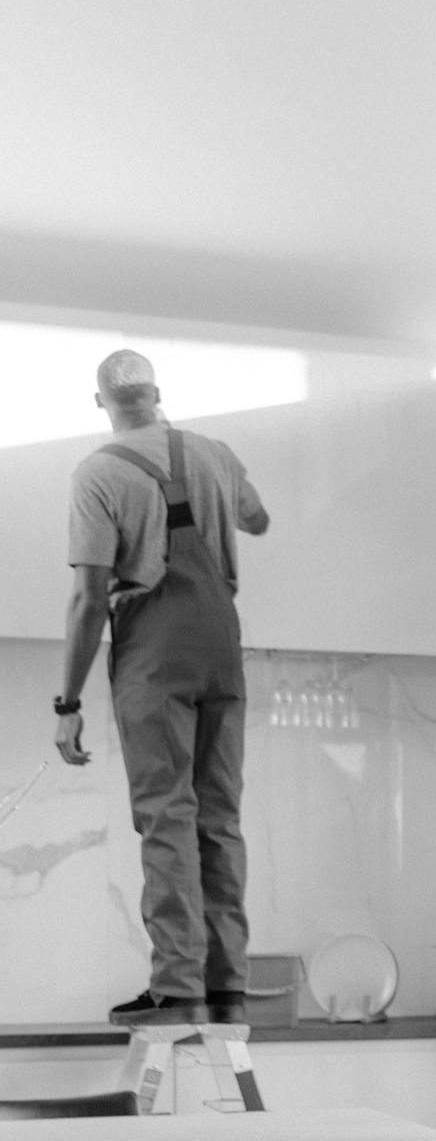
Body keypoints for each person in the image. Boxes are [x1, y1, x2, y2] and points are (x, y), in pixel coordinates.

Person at [54, 349, 270, 1024]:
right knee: (220, 819)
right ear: (157, 393)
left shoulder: (98, 474)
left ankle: (177, 989)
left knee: (166, 818)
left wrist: (67, 704)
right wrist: (215, 489)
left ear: (101, 403)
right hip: (222, 646)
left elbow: (90, 600)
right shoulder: (215, 452)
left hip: (154, 649)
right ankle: (227, 988)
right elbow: (258, 519)